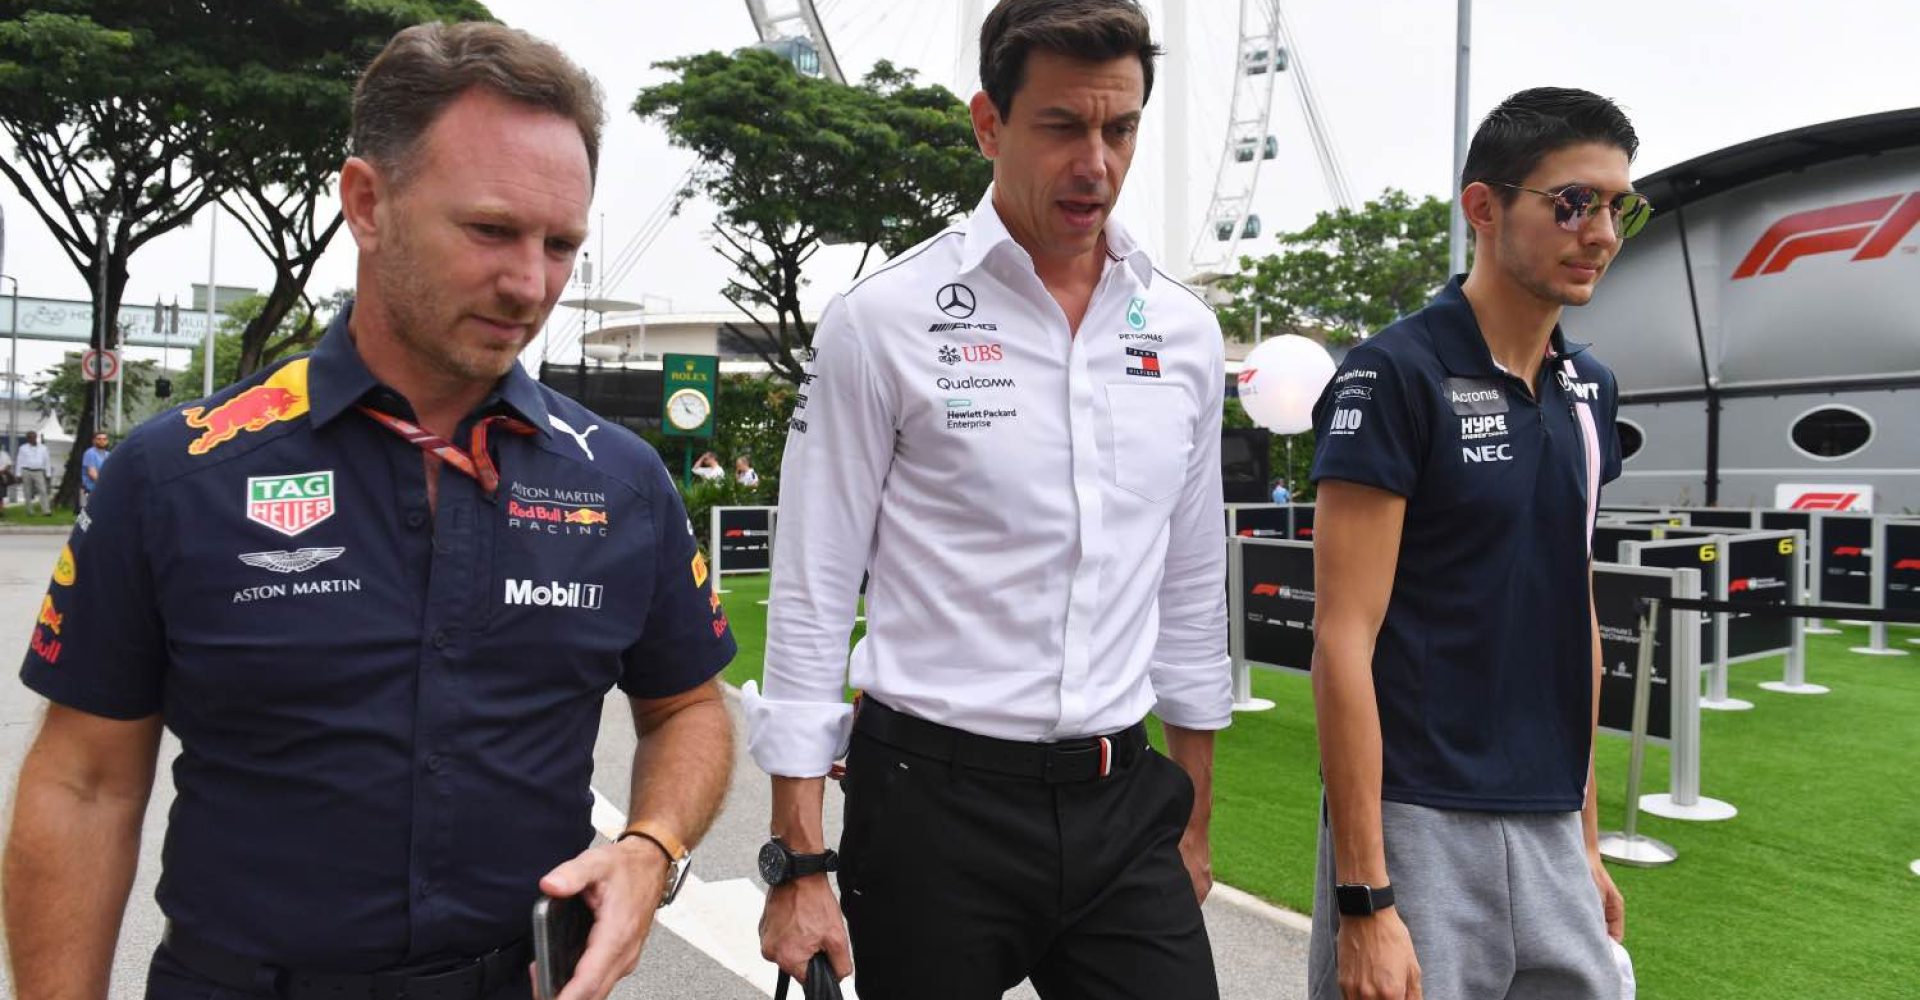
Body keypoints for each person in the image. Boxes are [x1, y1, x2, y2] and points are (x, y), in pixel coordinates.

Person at [4, 23, 737, 1000]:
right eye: (490, 230)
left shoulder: (624, 483)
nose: (531, 284)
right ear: (367, 203)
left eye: (560, 244)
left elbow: (689, 704)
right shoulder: (175, 474)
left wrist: (652, 846)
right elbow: (84, 781)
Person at [748, 2, 1231, 997]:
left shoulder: (1182, 332)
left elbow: (1190, 587)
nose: (1096, 163)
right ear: (988, 125)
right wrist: (797, 861)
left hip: (1122, 801)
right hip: (933, 805)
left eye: (1121, 127)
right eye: (1062, 126)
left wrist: (1193, 818)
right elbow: (810, 590)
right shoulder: (880, 323)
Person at [1306, 87, 1641, 1000]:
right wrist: (1365, 897)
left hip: (1549, 822)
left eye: (1619, 205)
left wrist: (1587, 843)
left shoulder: (1590, 389)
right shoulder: (1393, 372)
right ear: (1484, 207)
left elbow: (1571, 620)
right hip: (1417, 820)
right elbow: (1342, 636)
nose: (1602, 232)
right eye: (1573, 202)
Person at [15, 429, 50, 515]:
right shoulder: (23, 448)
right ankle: (29, 511)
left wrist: (48, 473)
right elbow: (19, 461)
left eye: (33, 437)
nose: (32, 439)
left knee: (43, 491)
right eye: (29, 438)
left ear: (36, 437)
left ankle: (46, 511)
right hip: (26, 471)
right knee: (27, 491)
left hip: (39, 471)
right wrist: (18, 474)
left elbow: (47, 461)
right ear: (27, 439)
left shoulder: (43, 448)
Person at [80, 431, 111, 510]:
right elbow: (92, 473)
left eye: (104, 439)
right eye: (99, 439)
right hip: (90, 490)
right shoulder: (90, 453)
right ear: (94, 441)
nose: (102, 441)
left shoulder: (108, 454)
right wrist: (106, 483)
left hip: (102, 490)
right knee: (89, 515)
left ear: (107, 441)